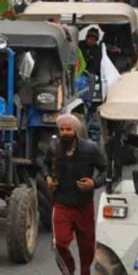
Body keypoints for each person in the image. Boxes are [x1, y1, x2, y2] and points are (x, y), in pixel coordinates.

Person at [43, 114, 106, 275]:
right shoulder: (54, 148)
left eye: (68, 129)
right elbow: (44, 164)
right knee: (60, 244)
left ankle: (85, 271)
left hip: (84, 206)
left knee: (86, 248)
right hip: (61, 204)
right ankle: (68, 270)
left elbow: (106, 170)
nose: (65, 133)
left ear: (76, 131)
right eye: (62, 129)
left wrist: (94, 183)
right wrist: (48, 178)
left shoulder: (90, 149)